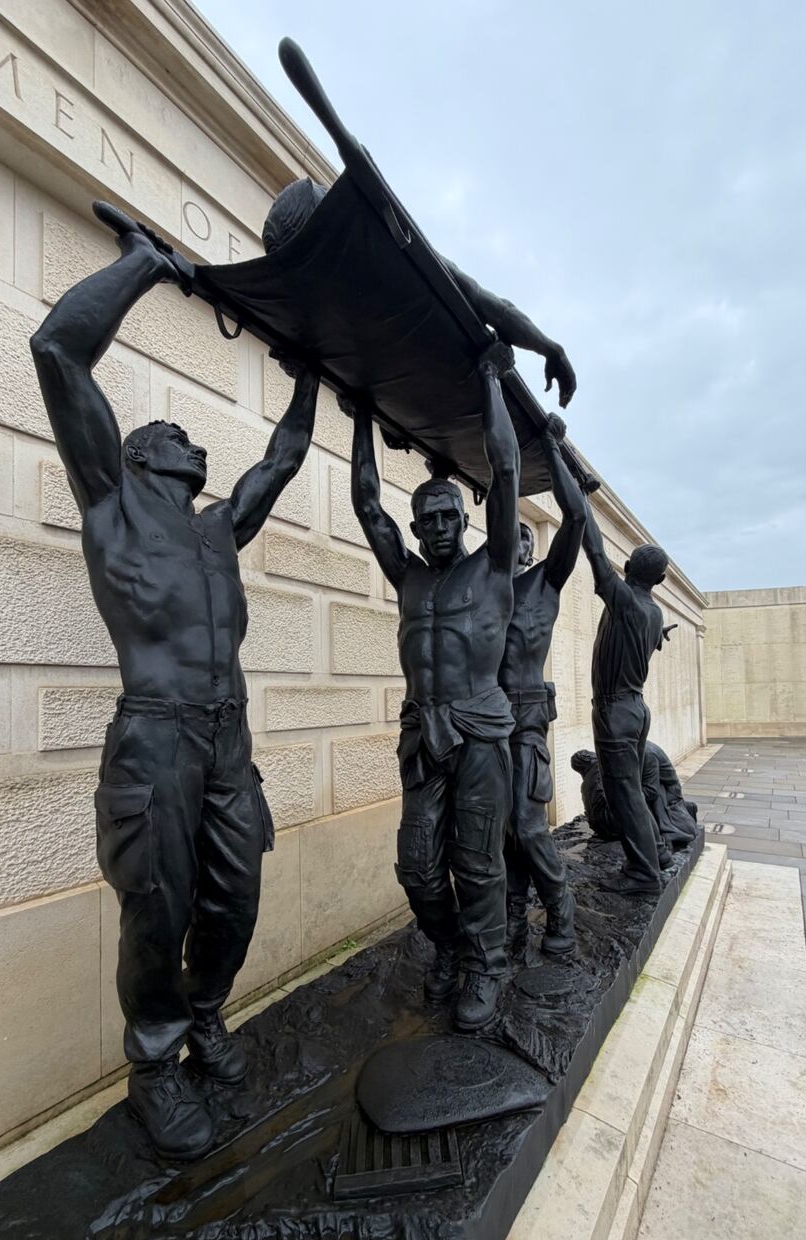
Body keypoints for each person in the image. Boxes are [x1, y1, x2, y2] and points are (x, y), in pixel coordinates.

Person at [30, 203, 319, 1162]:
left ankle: (206, 1016)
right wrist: (143, 265)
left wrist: (312, 370)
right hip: (155, 736)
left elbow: (282, 458)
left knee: (235, 895)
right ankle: (154, 1066)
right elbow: (57, 351)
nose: (193, 442)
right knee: (158, 905)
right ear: (140, 453)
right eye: (175, 433)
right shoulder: (111, 501)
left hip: (229, 737)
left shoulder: (217, 528)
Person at [346, 341, 521, 1031]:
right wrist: (362, 414)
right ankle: (449, 948)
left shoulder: (494, 569)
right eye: (429, 519)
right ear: (417, 527)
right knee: (417, 866)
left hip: (479, 730)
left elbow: (506, 470)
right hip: (423, 733)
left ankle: (487, 965)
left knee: (476, 863)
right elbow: (367, 504)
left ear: (465, 520)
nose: (441, 527)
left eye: (451, 516)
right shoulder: (410, 577)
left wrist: (491, 379)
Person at [263, 178, 577, 408]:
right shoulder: (405, 260)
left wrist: (551, 349)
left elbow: (492, 306)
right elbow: (493, 307)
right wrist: (551, 349)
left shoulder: (399, 264)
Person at [500, 416, 587, 959]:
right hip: (486, 722)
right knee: (502, 828)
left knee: (529, 825)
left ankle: (560, 908)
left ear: (531, 551)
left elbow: (575, 516)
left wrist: (553, 449)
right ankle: (512, 916)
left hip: (527, 721)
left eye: (523, 537)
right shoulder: (481, 589)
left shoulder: (544, 584)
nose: (513, 541)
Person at [581, 495, 670, 895]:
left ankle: (643, 874)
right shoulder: (654, 612)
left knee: (624, 795)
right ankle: (657, 851)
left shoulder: (625, 601)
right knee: (630, 790)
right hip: (635, 709)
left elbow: (594, 549)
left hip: (616, 710)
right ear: (660, 581)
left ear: (628, 567)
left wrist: (581, 500)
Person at [571, 743, 698, 859]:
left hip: (666, 795)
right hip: (614, 817)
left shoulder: (648, 753)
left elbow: (651, 791)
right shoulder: (620, 756)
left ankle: (666, 831)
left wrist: (625, 798)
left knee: (642, 798)